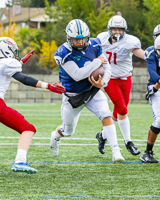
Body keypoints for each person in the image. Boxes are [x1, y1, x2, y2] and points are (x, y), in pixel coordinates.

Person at [50, 19, 124, 163]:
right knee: (68, 130)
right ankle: (55, 136)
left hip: (92, 91)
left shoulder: (95, 44)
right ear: (69, 38)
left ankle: (116, 151)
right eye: (76, 39)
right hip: (73, 96)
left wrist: (104, 81)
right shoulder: (63, 52)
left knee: (106, 115)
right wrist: (97, 62)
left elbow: (107, 66)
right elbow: (77, 75)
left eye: (82, 38)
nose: (80, 42)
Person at [0, 37, 65, 174]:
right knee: (28, 128)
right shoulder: (9, 62)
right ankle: (20, 161)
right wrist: (47, 85)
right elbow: (23, 78)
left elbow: (5, 70)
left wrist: (21, 61)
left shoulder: (6, 63)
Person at [96, 15, 144, 156]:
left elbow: (141, 54)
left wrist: (153, 55)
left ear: (125, 30)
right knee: (122, 109)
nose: (117, 31)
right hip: (109, 78)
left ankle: (102, 136)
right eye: (114, 28)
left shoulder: (131, 41)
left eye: (120, 29)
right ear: (109, 29)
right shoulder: (101, 38)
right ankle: (128, 142)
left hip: (126, 78)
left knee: (118, 112)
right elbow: (94, 53)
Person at [140, 35, 160, 163]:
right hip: (155, 85)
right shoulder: (151, 53)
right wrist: (156, 88)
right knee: (159, 120)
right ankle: (147, 152)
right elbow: (152, 72)